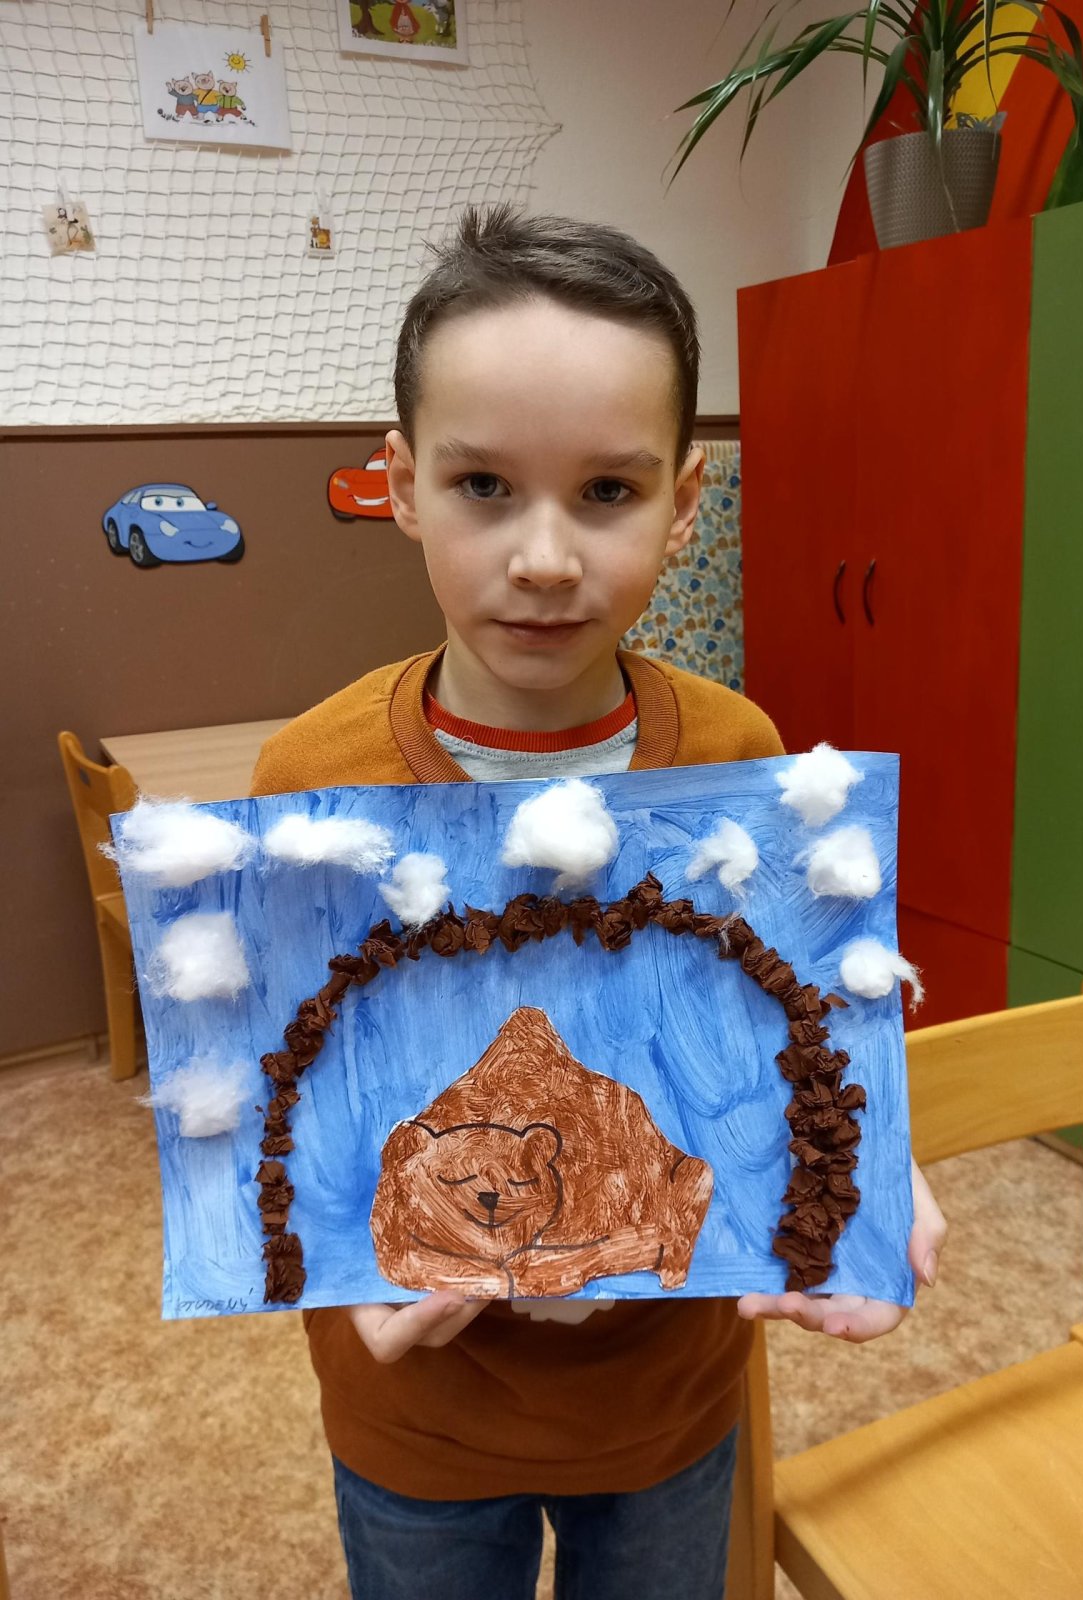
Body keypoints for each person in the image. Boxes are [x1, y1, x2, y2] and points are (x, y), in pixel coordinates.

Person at [250, 205, 946, 1600]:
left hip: (666, 1402)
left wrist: (868, 1158)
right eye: (484, 485)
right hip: (416, 1416)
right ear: (401, 484)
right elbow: (287, 1098)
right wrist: (328, 1265)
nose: (547, 557)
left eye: (609, 492)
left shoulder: (741, 754)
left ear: (684, 504)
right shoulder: (310, 781)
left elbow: (775, 1029)